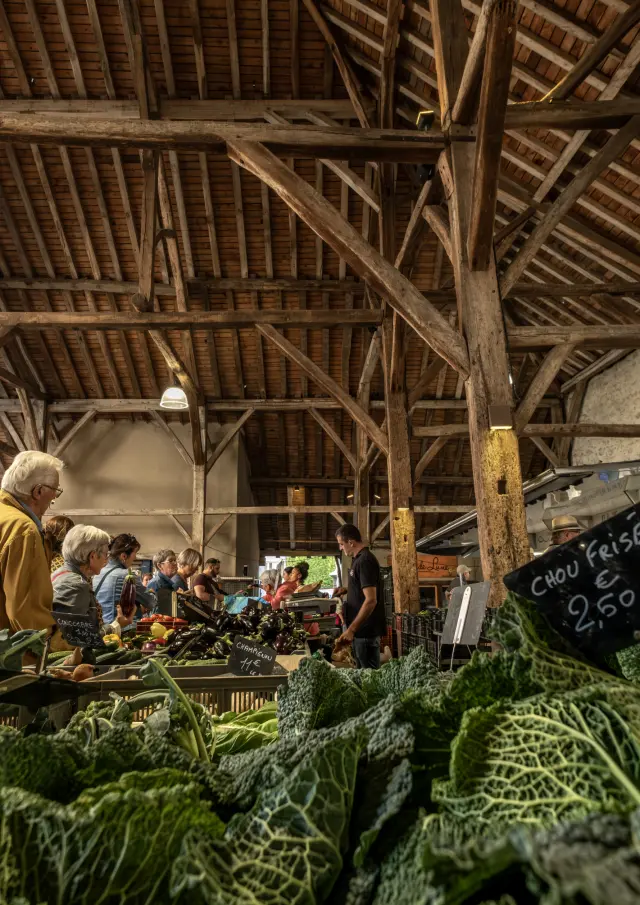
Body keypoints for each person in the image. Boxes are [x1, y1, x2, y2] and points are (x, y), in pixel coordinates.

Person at [0, 450, 64, 634]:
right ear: (38, 491)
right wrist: (62, 646)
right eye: (56, 491)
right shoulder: (22, 529)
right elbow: (26, 613)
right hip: (10, 654)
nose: (54, 498)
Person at [52, 525, 135, 636]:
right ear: (93, 556)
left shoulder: (59, 574)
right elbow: (77, 638)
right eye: (106, 554)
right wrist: (116, 625)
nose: (107, 559)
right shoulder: (76, 585)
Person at [333, 524, 385, 669]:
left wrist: (352, 630)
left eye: (341, 544)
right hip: (361, 633)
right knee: (363, 674)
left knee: (370, 678)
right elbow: (362, 590)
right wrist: (347, 590)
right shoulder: (357, 559)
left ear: (351, 542)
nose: (341, 548)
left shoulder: (365, 561)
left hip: (365, 632)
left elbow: (371, 600)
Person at [93, 533, 155, 626]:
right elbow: (151, 602)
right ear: (124, 556)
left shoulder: (97, 574)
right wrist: (152, 592)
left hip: (102, 628)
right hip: (120, 629)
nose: (135, 557)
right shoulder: (127, 575)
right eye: (135, 553)